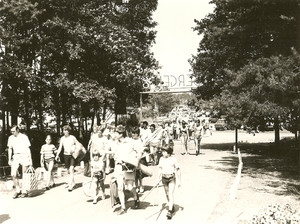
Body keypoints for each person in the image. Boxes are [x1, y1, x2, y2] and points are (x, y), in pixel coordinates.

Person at [108, 125, 140, 215]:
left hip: (128, 167)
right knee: (120, 188)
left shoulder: (130, 142)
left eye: (116, 133)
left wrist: (136, 160)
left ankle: (135, 196)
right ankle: (123, 207)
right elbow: (113, 154)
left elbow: (139, 151)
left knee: (129, 187)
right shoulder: (115, 143)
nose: (114, 134)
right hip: (118, 166)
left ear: (121, 134)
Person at [7, 125, 33, 198]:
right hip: (16, 156)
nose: (12, 133)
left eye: (14, 131)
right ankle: (18, 190)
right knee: (13, 174)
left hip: (24, 156)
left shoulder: (24, 137)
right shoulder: (10, 138)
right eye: (11, 131)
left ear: (18, 130)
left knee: (25, 174)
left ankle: (24, 191)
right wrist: (9, 159)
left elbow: (28, 149)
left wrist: (30, 160)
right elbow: (10, 149)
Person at [157, 146, 181, 220]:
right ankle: (171, 205)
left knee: (170, 194)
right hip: (164, 178)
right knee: (167, 194)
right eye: (162, 151)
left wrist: (179, 180)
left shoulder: (173, 159)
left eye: (165, 151)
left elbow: (178, 170)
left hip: (171, 178)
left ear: (169, 152)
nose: (163, 153)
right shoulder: (161, 159)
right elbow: (160, 169)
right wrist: (158, 179)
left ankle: (170, 211)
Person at [55, 125, 78, 192]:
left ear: (68, 131)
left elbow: (77, 145)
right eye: (64, 130)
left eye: (66, 130)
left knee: (71, 169)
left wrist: (74, 149)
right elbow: (60, 147)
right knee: (69, 171)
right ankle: (73, 183)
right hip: (66, 155)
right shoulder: (62, 138)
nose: (64, 131)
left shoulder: (72, 137)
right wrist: (57, 155)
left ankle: (70, 185)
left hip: (72, 155)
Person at [131, 127, 146, 193]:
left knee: (140, 173)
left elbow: (141, 150)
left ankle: (141, 185)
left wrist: (138, 152)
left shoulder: (140, 141)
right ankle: (136, 186)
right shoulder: (131, 141)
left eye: (135, 133)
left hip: (140, 158)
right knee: (135, 173)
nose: (133, 135)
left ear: (138, 134)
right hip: (133, 158)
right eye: (132, 133)